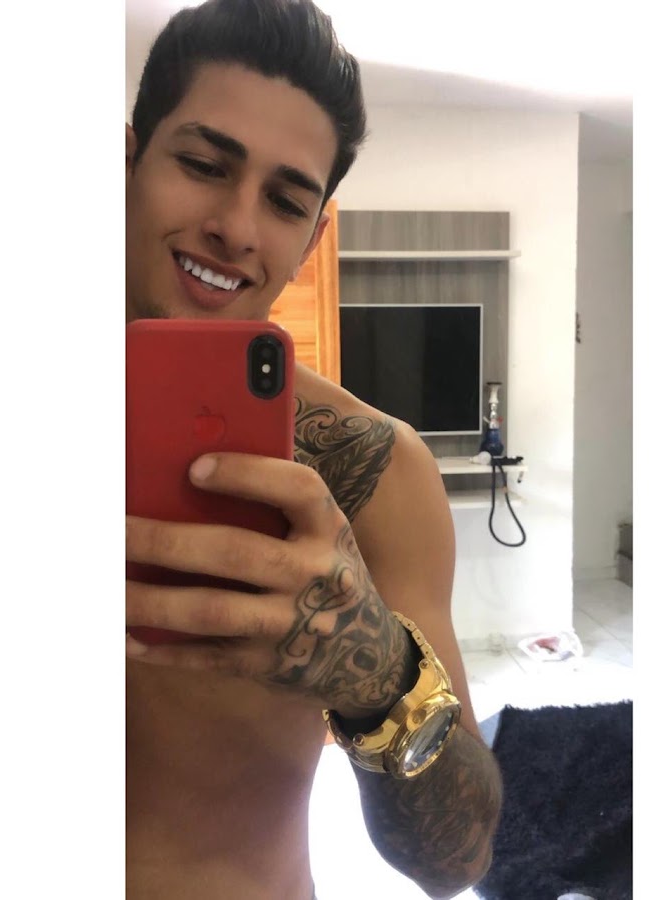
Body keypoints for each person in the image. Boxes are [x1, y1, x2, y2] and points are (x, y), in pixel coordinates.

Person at [125, 1, 503, 897]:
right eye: (203, 165)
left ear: (313, 237)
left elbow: (458, 861)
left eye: (286, 200)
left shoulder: (376, 473)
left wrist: (377, 675)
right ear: (126, 161)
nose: (236, 226)